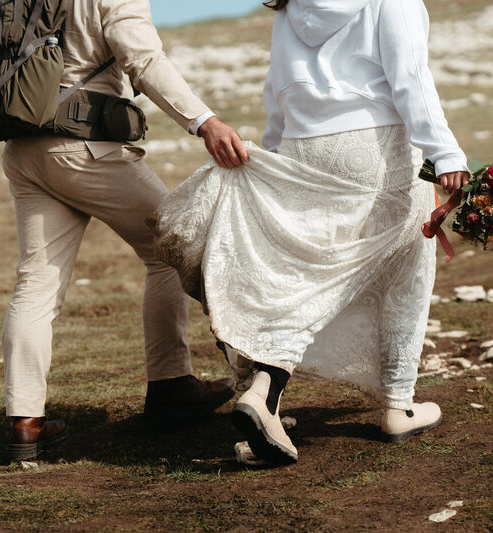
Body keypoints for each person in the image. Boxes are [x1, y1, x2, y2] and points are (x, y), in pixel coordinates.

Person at [151, 0, 469, 464]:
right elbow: (410, 79)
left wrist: (279, 159)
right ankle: (399, 405)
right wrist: (447, 153)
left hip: (304, 147)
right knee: (407, 268)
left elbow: (278, 88)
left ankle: (265, 391)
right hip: (377, 146)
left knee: (308, 277)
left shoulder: (290, 6)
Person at [2, 0, 248, 461]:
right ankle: (173, 385)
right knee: (171, 247)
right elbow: (143, 58)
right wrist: (204, 121)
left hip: (24, 146)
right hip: (83, 145)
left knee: (35, 285)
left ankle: (25, 424)